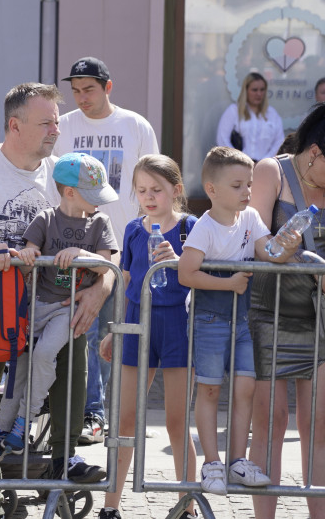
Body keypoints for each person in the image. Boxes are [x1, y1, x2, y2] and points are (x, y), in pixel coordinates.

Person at [0, 83, 108, 519]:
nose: (56, 129)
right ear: (15, 125)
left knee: (71, 362)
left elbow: (108, 243)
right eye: (46, 121)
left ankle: (62, 469)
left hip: (44, 306)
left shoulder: (63, 174)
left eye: (56, 120)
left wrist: (99, 290)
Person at [53, 56, 159, 446]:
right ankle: (93, 412)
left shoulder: (134, 125)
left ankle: (119, 414)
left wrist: (151, 234)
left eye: (89, 89)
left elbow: (152, 179)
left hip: (126, 244)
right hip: (74, 241)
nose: (80, 97)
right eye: (75, 90)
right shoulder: (63, 127)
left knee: (120, 329)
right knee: (85, 326)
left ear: (108, 87)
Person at [0, 153, 117, 462]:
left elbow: (106, 265)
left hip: (66, 308)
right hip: (38, 305)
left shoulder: (100, 222)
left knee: (44, 356)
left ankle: (25, 419)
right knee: (20, 370)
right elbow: (30, 250)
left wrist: (79, 253)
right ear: (70, 192)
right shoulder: (46, 218)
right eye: (93, 194)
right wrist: (29, 256)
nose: (99, 202)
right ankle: (3, 430)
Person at [95, 154, 198, 519]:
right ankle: (111, 505)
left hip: (177, 325)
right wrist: (113, 330)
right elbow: (125, 282)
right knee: (124, 420)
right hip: (137, 321)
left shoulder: (190, 227)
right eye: (142, 190)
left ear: (176, 190)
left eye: (157, 189)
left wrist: (179, 257)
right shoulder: (135, 230)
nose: (149, 197)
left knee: (174, 421)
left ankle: (187, 504)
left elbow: (199, 275)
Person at [177, 146, 272, 495]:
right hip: (208, 319)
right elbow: (186, 274)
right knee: (210, 388)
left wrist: (288, 244)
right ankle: (212, 463)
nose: (247, 191)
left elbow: (269, 251)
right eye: (237, 185)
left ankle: (237, 461)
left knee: (245, 388)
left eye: (248, 184)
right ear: (212, 189)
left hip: (244, 319)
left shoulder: (251, 219)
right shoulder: (204, 227)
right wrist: (229, 283)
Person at [249, 102, 325, 519]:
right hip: (272, 309)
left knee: (318, 424)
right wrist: (282, 251)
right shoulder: (270, 171)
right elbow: (255, 236)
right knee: (271, 420)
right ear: (314, 152)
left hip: (321, 314)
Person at [216, 72, 285, 162]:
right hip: (238, 165)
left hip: (264, 167)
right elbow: (222, 139)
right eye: (254, 90)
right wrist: (239, 160)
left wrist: (264, 161)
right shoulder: (234, 111)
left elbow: (279, 142)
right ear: (246, 90)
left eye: (262, 89)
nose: (259, 94)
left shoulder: (272, 114)